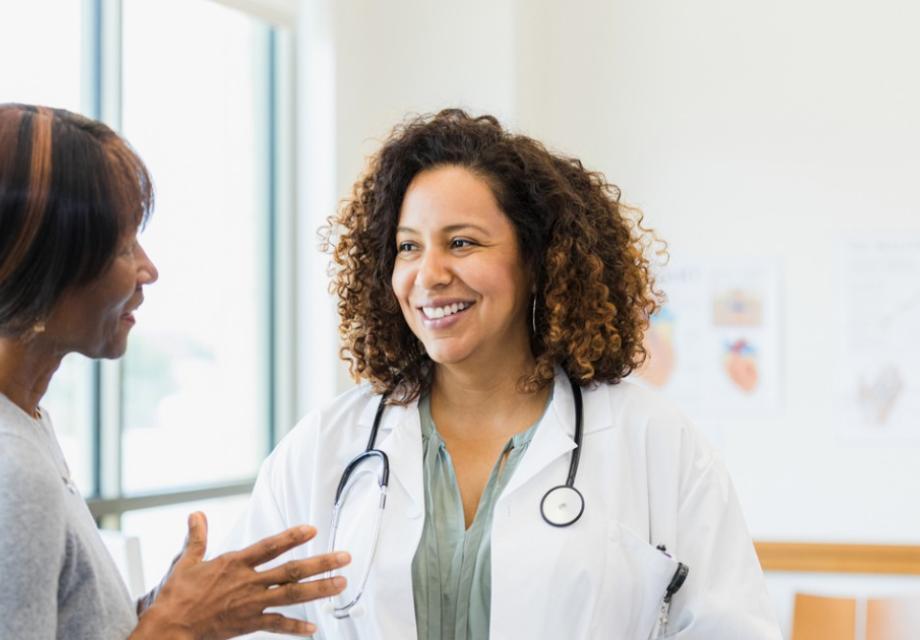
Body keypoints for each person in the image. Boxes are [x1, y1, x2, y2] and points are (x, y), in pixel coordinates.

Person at [221, 109, 782, 638]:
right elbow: (254, 623)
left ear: (537, 259)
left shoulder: (653, 441)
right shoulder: (327, 446)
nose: (429, 274)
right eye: (408, 247)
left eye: (462, 242)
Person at [0, 103, 350, 639]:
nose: (148, 270)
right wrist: (177, 627)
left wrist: (162, 609)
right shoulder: (12, 470)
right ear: (44, 265)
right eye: (122, 246)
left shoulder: (29, 422)